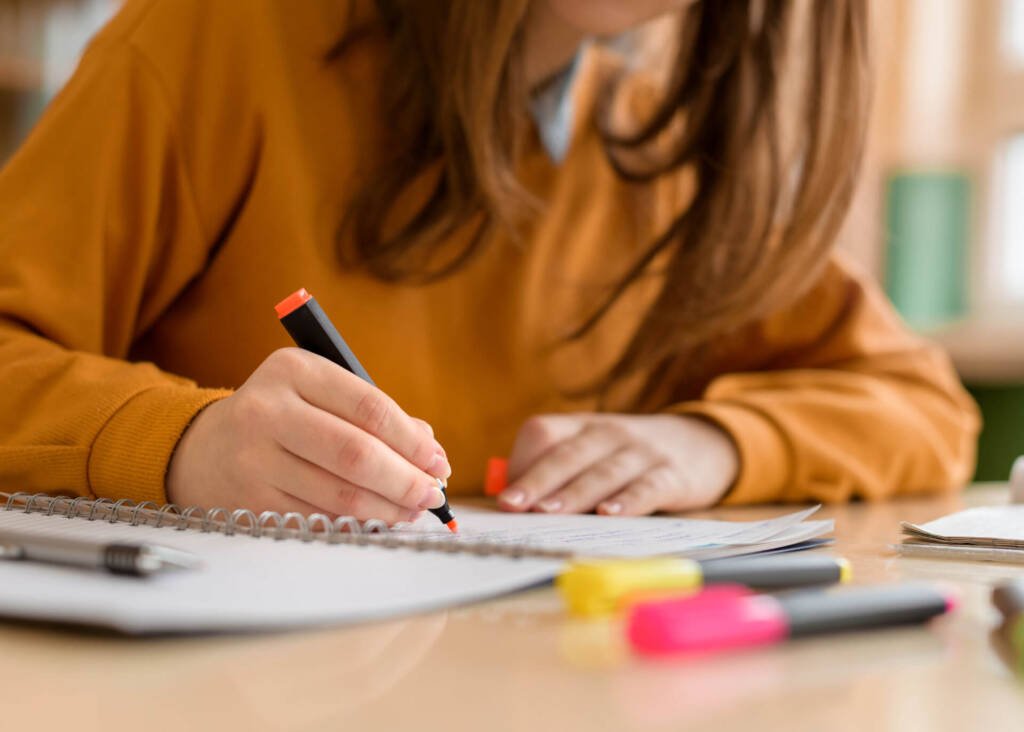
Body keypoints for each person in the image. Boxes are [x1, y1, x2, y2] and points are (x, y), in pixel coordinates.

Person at [0, 0, 979, 524]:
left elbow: (925, 408)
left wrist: (713, 445)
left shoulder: (661, 162)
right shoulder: (217, 36)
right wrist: (183, 444)